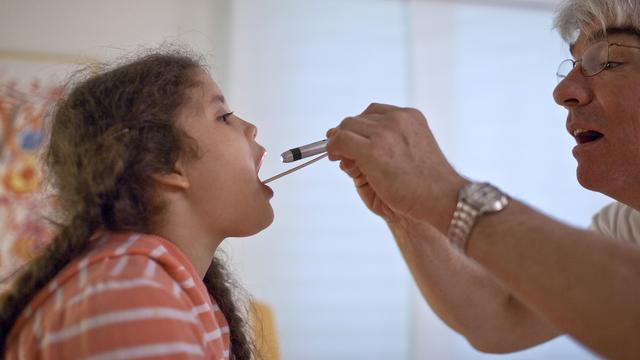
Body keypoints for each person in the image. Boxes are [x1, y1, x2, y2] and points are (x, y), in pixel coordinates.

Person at [326, 0, 640, 358]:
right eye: (574, 65)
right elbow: (503, 320)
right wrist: (409, 211)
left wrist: (445, 192)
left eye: (609, 62)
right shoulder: (627, 225)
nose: (562, 92)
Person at [0, 50, 275, 359]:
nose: (251, 128)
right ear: (164, 165)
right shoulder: (129, 292)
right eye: (223, 117)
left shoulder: (156, 287)